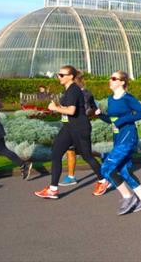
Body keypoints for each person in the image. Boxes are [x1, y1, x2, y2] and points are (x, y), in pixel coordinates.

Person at [34, 66, 107, 199]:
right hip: (68, 128)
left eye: (62, 75)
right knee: (56, 153)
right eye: (58, 74)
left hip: (80, 128)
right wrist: (58, 107)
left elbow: (72, 111)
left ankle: (103, 180)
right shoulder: (68, 90)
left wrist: (56, 108)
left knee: (87, 156)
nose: (59, 77)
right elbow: (70, 109)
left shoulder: (73, 90)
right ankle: (53, 189)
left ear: (71, 77)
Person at [98, 71, 141, 214]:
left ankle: (128, 197)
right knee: (124, 170)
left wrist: (123, 120)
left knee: (106, 168)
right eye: (110, 78)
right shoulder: (111, 99)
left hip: (128, 138)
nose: (110, 80)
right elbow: (112, 120)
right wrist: (99, 115)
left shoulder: (127, 98)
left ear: (122, 82)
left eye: (114, 78)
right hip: (118, 138)